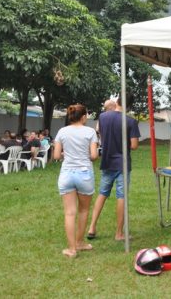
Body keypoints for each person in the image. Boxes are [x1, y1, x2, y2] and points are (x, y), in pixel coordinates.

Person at [88, 96, 140, 241]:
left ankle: (92, 227)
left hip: (107, 161)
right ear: (129, 106)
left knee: (102, 193)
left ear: (116, 101)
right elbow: (134, 146)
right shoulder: (130, 121)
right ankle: (119, 233)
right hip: (122, 163)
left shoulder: (102, 117)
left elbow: (100, 133)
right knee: (121, 196)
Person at [53, 104, 99, 258]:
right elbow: (94, 156)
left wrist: (67, 154)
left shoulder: (62, 131)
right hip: (84, 174)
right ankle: (80, 243)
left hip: (66, 174)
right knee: (83, 210)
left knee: (69, 213)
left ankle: (72, 249)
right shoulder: (90, 132)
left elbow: (56, 155)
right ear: (84, 117)